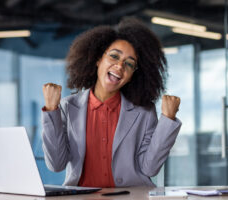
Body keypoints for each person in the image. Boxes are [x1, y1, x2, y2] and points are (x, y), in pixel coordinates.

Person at [41, 17, 181, 188]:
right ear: (98, 59)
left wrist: (168, 119)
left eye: (129, 64)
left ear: (133, 75)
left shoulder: (144, 112)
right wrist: (51, 110)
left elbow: (150, 168)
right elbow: (56, 165)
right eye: (114, 56)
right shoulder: (68, 107)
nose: (120, 66)